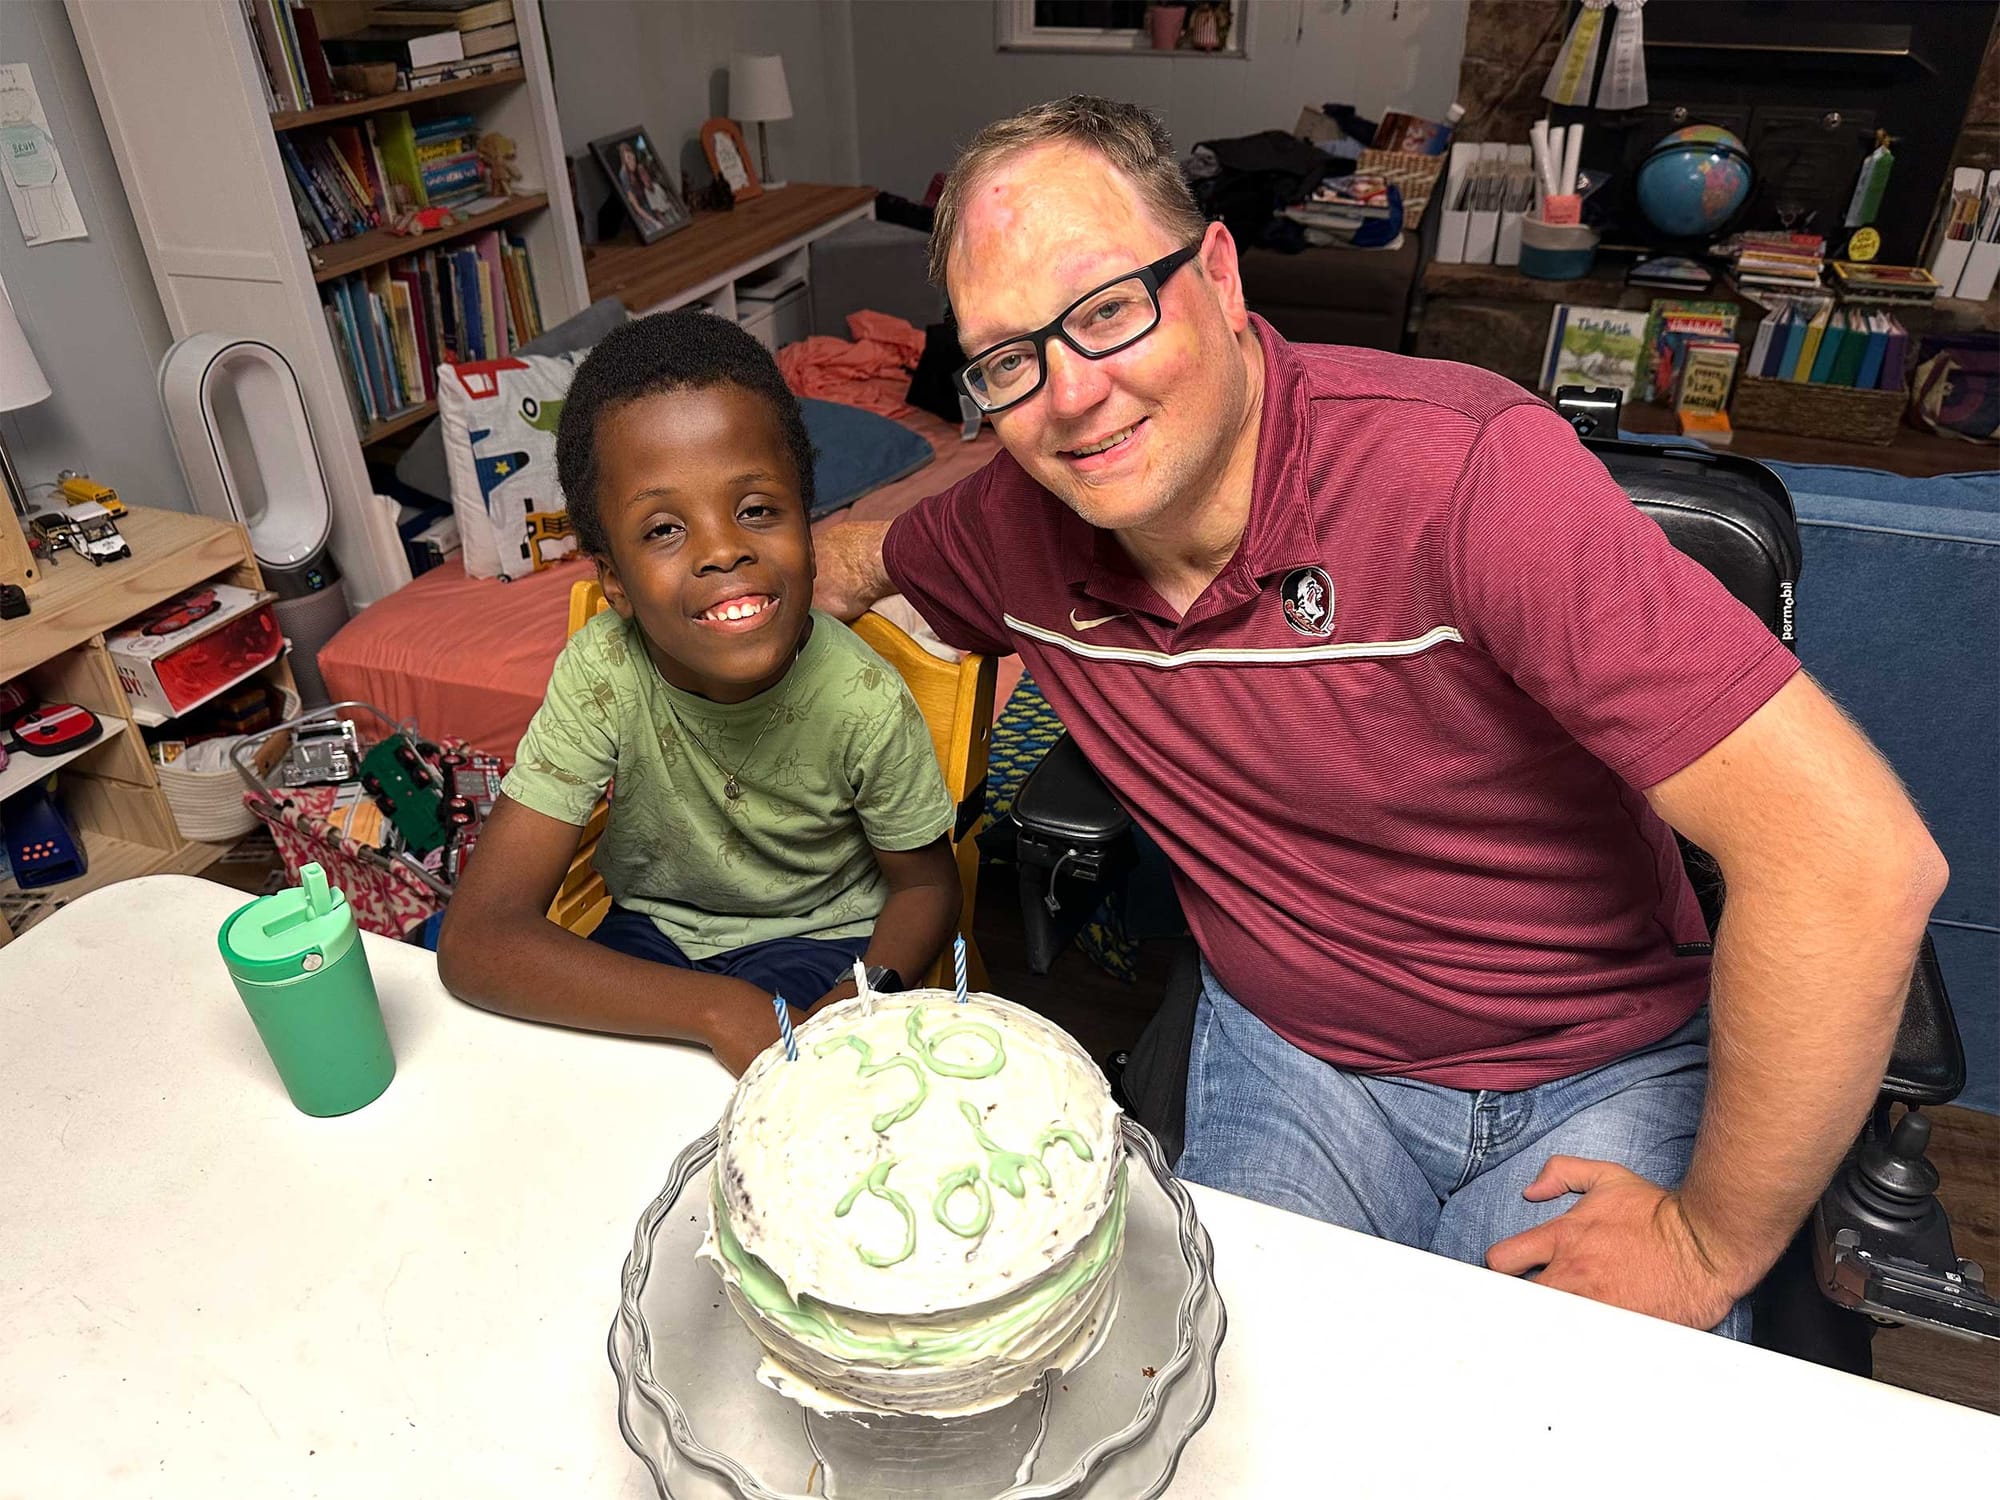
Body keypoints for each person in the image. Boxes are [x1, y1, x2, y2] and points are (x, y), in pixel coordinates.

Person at [812, 97, 1947, 1334]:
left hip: (1586, 1067)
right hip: (1290, 1051)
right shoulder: (1005, 532)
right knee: (1219, 1414)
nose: (1069, 395)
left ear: (1218, 273)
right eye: (1006, 358)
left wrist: (1703, 1244)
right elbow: (849, 559)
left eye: (1105, 310)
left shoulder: (1467, 474)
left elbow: (1850, 861)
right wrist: (669, 582)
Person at [439, 312, 962, 1076]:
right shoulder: (603, 675)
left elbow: (925, 888)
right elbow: (478, 939)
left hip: (823, 943)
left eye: (756, 510)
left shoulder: (863, 700)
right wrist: (717, 1010)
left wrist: (864, 992)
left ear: (808, 531)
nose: (723, 548)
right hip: (655, 938)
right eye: (662, 530)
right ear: (613, 580)